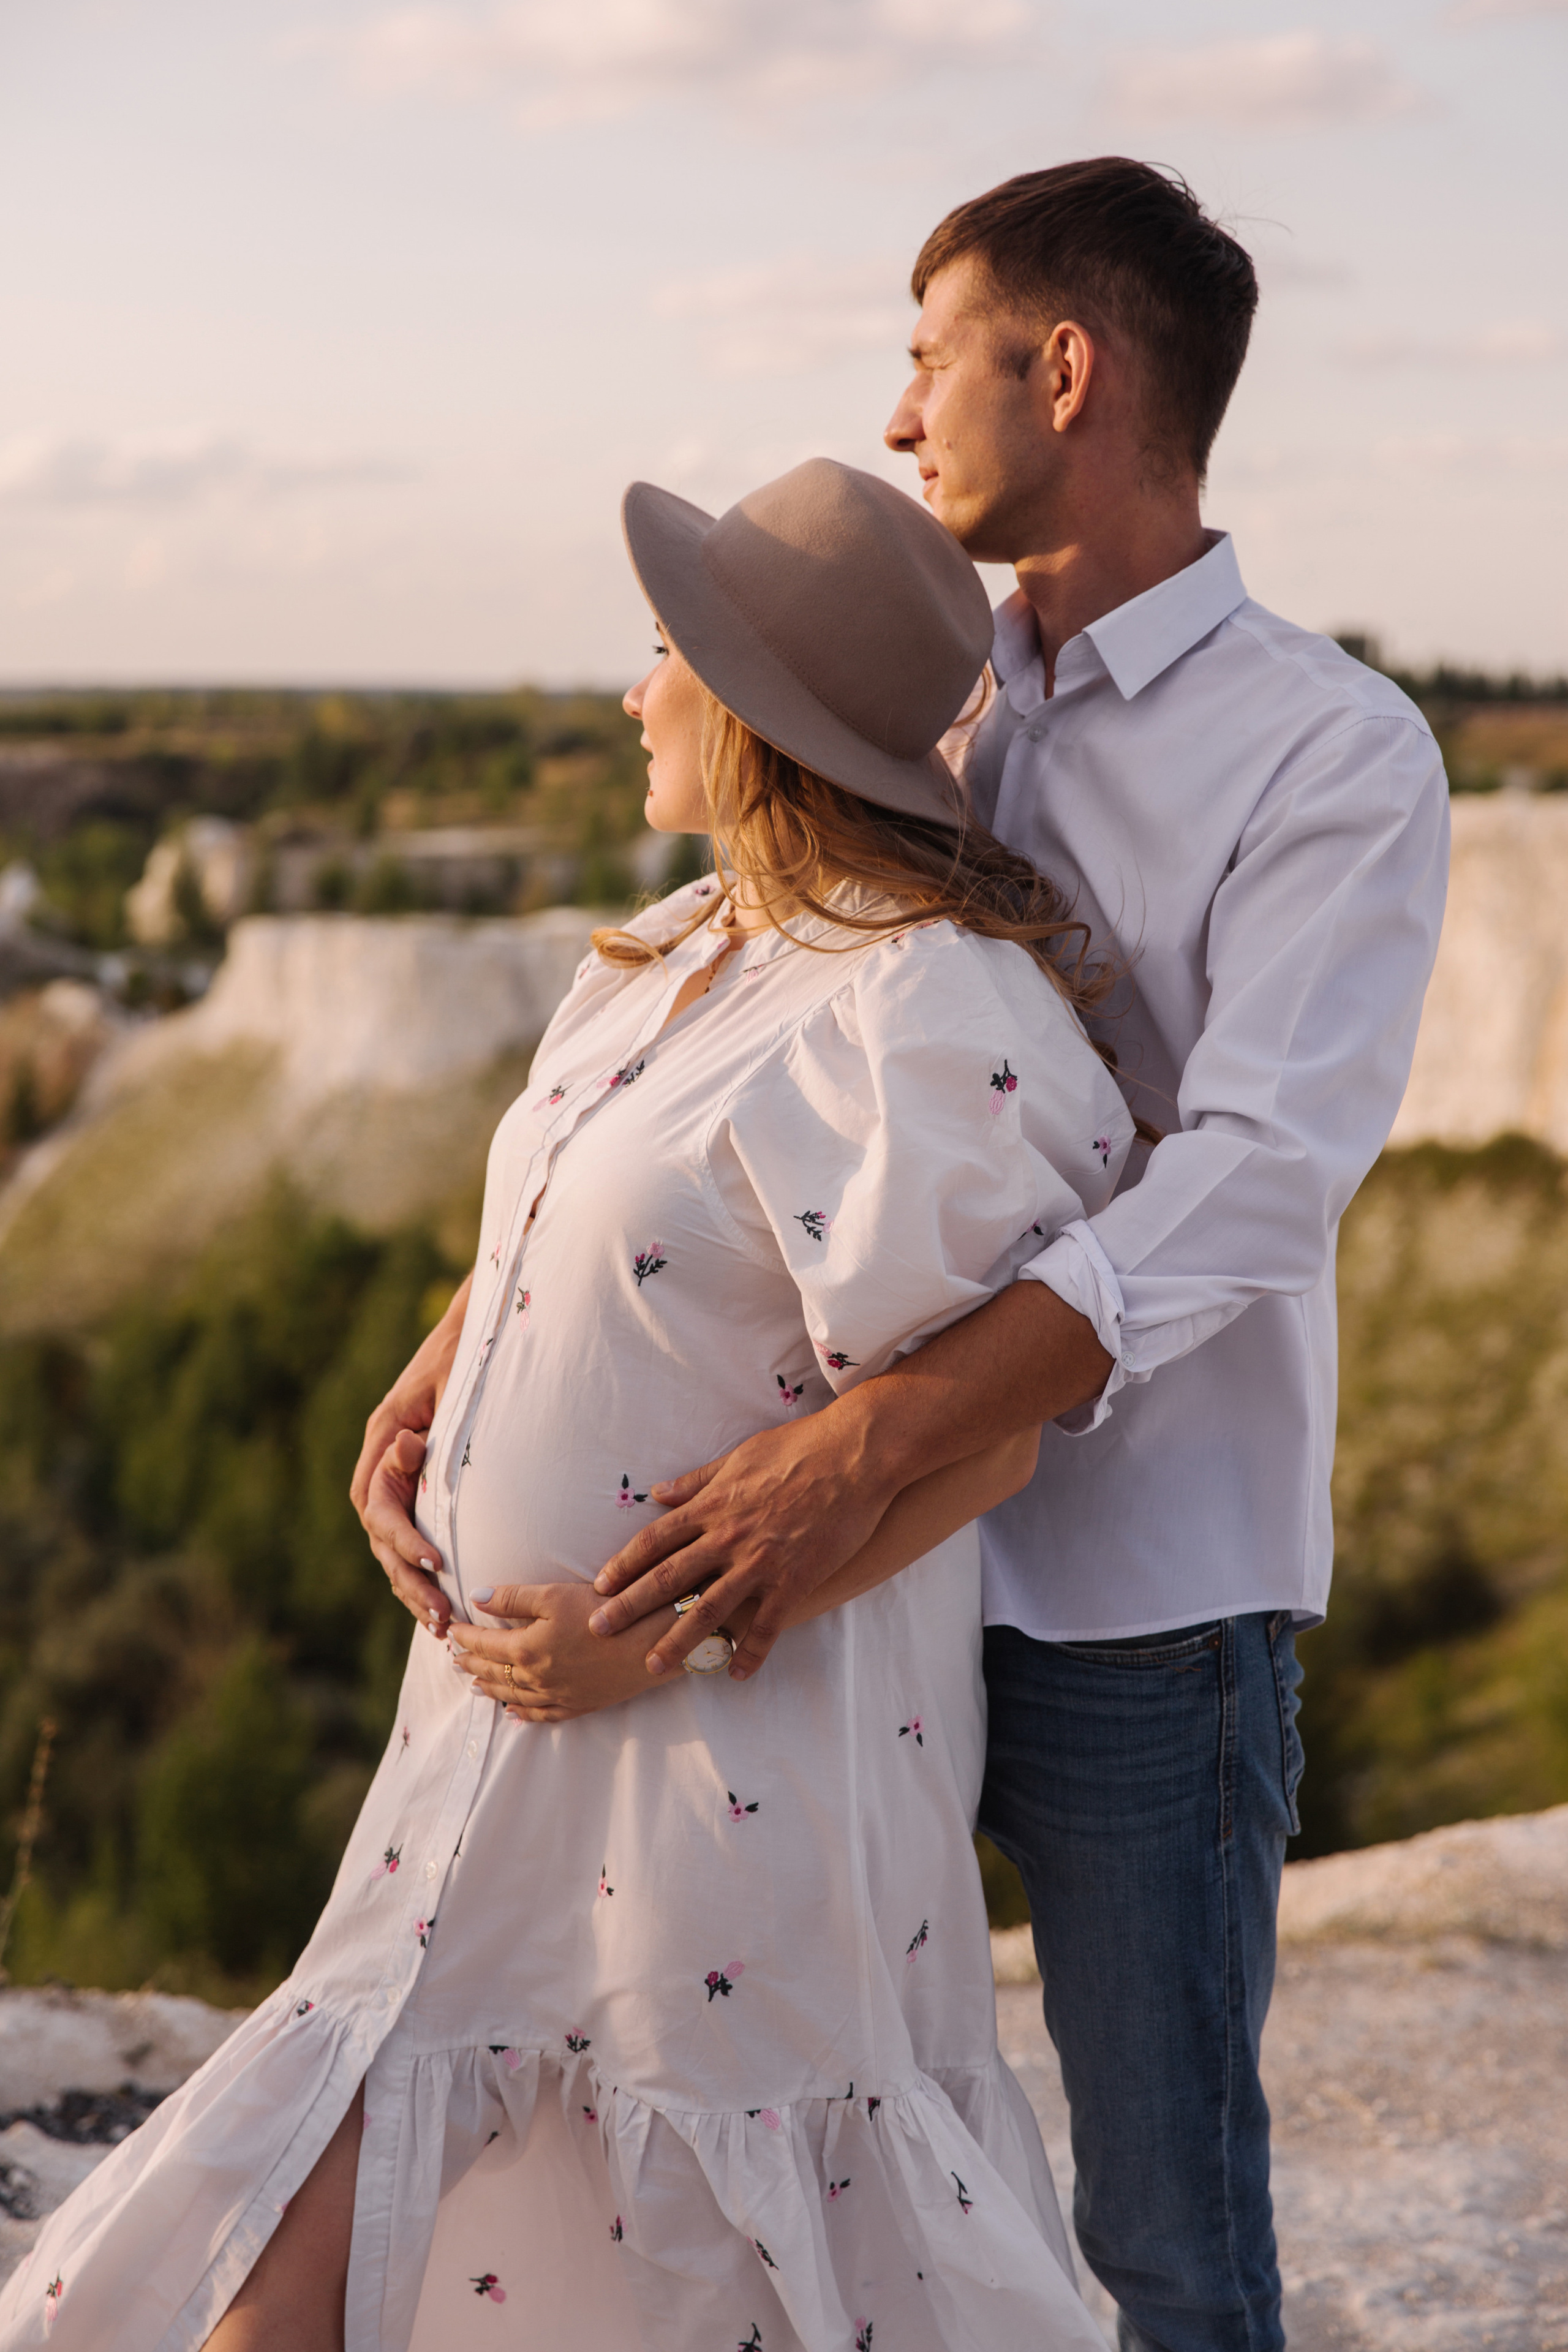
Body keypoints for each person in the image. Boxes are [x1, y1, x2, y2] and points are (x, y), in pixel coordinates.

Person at [356, 164, 1450, 2350]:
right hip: (853, 1616)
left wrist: (868, 1446)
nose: (897, 410)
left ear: (1069, 370)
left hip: (1138, 1596)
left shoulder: (1331, 752)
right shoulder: (910, 694)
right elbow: (725, 1026)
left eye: (931, 354)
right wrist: (473, 1340)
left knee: (1162, 2229)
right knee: (821, 2156)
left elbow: (1256, 1178)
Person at [0, 459, 1132, 2352]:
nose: (630, 693)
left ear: (760, 715)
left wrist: (664, 1638)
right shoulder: (678, 949)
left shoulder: (921, 1014)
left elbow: (980, 1431)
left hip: (716, 1758)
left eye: (662, 652)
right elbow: (585, 1219)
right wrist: (442, 1372)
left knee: (697, 2253)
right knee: (296, 2263)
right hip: (492, 1727)